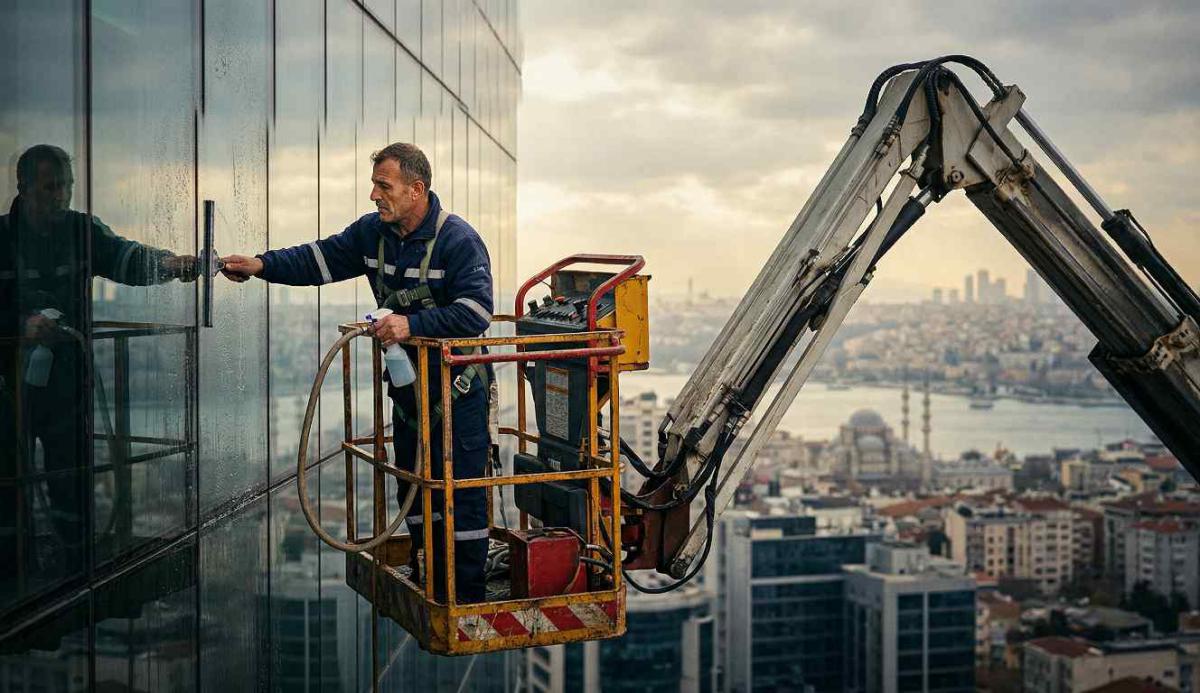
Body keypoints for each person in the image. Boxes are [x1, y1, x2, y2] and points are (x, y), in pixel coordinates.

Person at [221, 142, 494, 603]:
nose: (373, 195)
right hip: (411, 391)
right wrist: (261, 265)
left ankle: (463, 594)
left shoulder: (457, 241)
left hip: (457, 393)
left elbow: (476, 311)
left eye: (383, 186)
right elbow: (317, 259)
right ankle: (431, 575)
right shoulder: (374, 235)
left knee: (460, 493)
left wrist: (412, 323)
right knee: (414, 483)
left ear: (416, 190)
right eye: (374, 185)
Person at [1, 144, 198, 600]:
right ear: (24, 189)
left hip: (66, 380)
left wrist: (171, 264)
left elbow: (124, 256)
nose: (61, 196)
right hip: (8, 383)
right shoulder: (1, 240)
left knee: (70, 477)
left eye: (66, 186)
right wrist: (20, 325)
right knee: (8, 478)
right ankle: (11, 572)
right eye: (51, 187)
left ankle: (72, 570)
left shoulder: (79, 231)